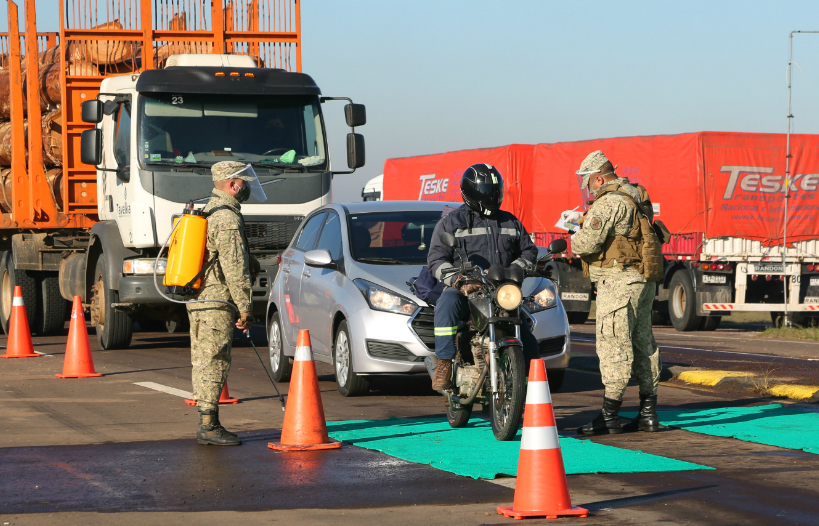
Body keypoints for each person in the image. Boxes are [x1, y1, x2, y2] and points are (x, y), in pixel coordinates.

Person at [569, 150, 662, 435]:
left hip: (618, 281)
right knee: (643, 343)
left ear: (598, 178)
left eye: (588, 182)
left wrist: (575, 229)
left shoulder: (607, 203)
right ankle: (648, 413)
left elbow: (583, 245)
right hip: (642, 279)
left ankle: (609, 415)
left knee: (613, 345)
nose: (587, 187)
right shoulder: (634, 193)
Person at [427, 163, 539, 391]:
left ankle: (528, 392)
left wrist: (517, 268)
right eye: (487, 191)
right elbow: (436, 260)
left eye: (495, 190)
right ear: (473, 192)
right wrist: (458, 280)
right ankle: (445, 363)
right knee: (446, 303)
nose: (492, 195)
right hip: (466, 290)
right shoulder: (450, 223)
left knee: (529, 342)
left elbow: (529, 251)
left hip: (501, 291)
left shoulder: (511, 222)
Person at [189, 160, 258, 446]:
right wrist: (245, 307)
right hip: (215, 300)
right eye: (244, 181)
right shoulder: (227, 218)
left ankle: (208, 422)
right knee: (213, 361)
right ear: (232, 184)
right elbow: (234, 267)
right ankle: (208, 425)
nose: (247, 187)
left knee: (205, 359)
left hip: (202, 298)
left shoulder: (210, 210)